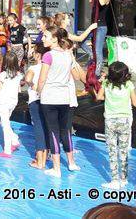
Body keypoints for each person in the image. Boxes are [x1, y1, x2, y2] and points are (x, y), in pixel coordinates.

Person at [38, 25, 84, 177]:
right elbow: (77, 77)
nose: (43, 38)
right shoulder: (67, 55)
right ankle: (71, 162)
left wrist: (38, 92)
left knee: (53, 131)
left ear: (54, 39)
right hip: (65, 97)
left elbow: (43, 78)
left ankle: (56, 168)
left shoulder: (48, 56)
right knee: (65, 130)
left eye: (45, 36)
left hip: (50, 97)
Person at [95, 61, 136, 189]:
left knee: (112, 150)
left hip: (110, 120)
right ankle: (124, 178)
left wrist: (108, 98)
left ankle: (114, 180)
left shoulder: (106, 84)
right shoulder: (129, 85)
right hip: (124, 119)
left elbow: (98, 97)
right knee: (123, 150)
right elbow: (135, 103)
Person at [0, 51, 23, 158]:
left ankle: (7, 150)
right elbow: (19, 89)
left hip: (4, 101)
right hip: (13, 101)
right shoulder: (18, 75)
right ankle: (14, 139)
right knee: (4, 122)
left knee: (5, 125)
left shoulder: (3, 75)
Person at [24, 52, 48, 169]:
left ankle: (39, 161)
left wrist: (33, 86)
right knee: (47, 128)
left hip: (36, 99)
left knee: (38, 129)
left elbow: (28, 78)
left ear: (38, 55)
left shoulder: (33, 67)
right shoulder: (49, 67)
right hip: (49, 99)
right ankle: (44, 158)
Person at [90, 0, 112, 75]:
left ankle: (97, 72)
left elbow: (102, 3)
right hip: (93, 26)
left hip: (101, 27)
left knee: (98, 49)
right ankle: (92, 58)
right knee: (84, 42)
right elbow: (90, 0)